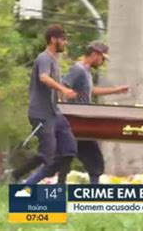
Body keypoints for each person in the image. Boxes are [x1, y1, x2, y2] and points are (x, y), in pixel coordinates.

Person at [10, 24, 78, 184]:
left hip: (54, 113)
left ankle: (60, 187)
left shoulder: (54, 60)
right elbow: (44, 78)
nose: (65, 42)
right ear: (53, 39)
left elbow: (53, 83)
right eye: (63, 39)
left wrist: (61, 94)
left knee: (69, 150)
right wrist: (62, 88)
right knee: (47, 154)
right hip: (40, 113)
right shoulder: (44, 58)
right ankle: (19, 176)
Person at [57, 41, 129, 184]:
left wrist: (116, 90)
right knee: (91, 157)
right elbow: (62, 87)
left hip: (83, 122)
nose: (102, 62)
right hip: (76, 122)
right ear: (95, 54)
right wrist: (65, 110)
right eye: (102, 58)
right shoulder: (78, 69)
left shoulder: (87, 72)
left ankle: (63, 186)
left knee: (71, 157)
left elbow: (91, 91)